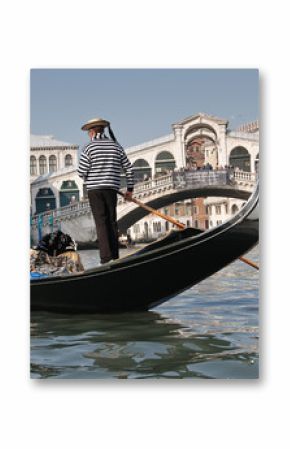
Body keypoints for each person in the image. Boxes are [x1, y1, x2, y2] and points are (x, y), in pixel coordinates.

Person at [78, 117, 134, 264]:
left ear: (91, 132)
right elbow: (129, 168)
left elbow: (81, 171)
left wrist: (92, 176)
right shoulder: (116, 146)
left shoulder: (88, 148)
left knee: (101, 223)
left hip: (95, 190)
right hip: (111, 189)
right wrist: (130, 189)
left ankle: (105, 258)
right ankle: (115, 256)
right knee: (112, 222)